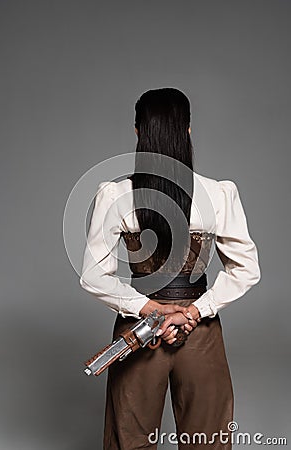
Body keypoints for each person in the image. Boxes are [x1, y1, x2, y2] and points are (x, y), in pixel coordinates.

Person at [79, 88, 261, 449]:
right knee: (208, 439)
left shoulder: (116, 196)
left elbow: (93, 276)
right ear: (188, 130)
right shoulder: (218, 194)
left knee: (130, 440)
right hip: (200, 330)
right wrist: (195, 310)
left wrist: (150, 310)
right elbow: (246, 269)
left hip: (138, 329)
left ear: (137, 133)